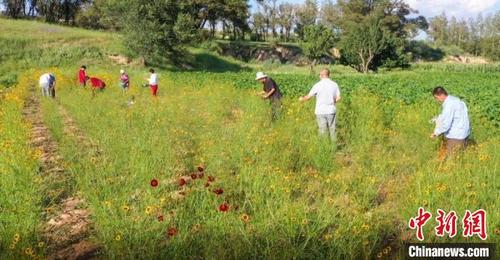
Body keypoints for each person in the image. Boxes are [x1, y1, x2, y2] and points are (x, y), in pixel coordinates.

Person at [299, 68, 341, 141]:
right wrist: (332, 102)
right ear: (328, 75)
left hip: (320, 111)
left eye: (319, 75)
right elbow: (338, 98)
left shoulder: (317, 85)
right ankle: (333, 147)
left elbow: (308, 97)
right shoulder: (334, 84)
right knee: (332, 129)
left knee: (322, 130)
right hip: (331, 110)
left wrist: (301, 99)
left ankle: (324, 147)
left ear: (322, 75)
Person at [431, 86, 470, 156]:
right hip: (464, 134)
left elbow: (445, 125)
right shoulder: (455, 99)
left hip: (455, 137)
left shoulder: (449, 105)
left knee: (451, 161)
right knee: (461, 158)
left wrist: (435, 133)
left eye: (436, 98)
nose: (437, 100)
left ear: (441, 95)